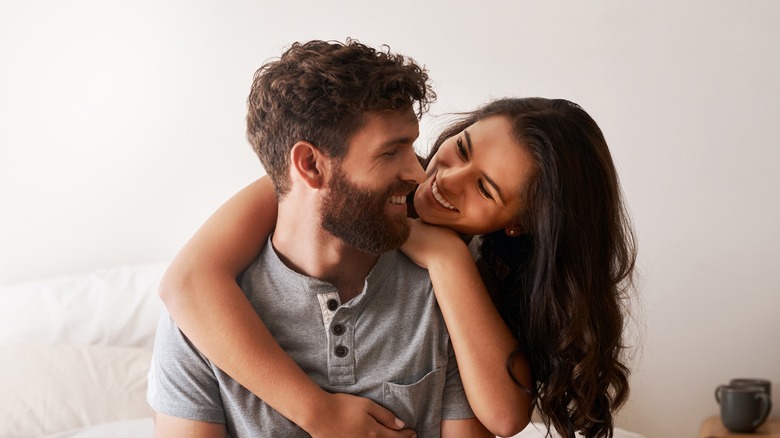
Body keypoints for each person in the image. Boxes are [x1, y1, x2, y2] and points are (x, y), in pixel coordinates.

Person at [159, 97, 637, 437]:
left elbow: (505, 417)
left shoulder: (472, 274)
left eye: (486, 190)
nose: (445, 180)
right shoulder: (338, 184)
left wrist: (446, 258)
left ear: (519, 225)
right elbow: (187, 281)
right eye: (463, 148)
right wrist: (321, 414)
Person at [147, 39, 494, 437]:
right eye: (391, 152)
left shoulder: (441, 297)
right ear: (310, 164)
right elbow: (185, 283)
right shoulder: (202, 323)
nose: (418, 173)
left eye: (412, 146)